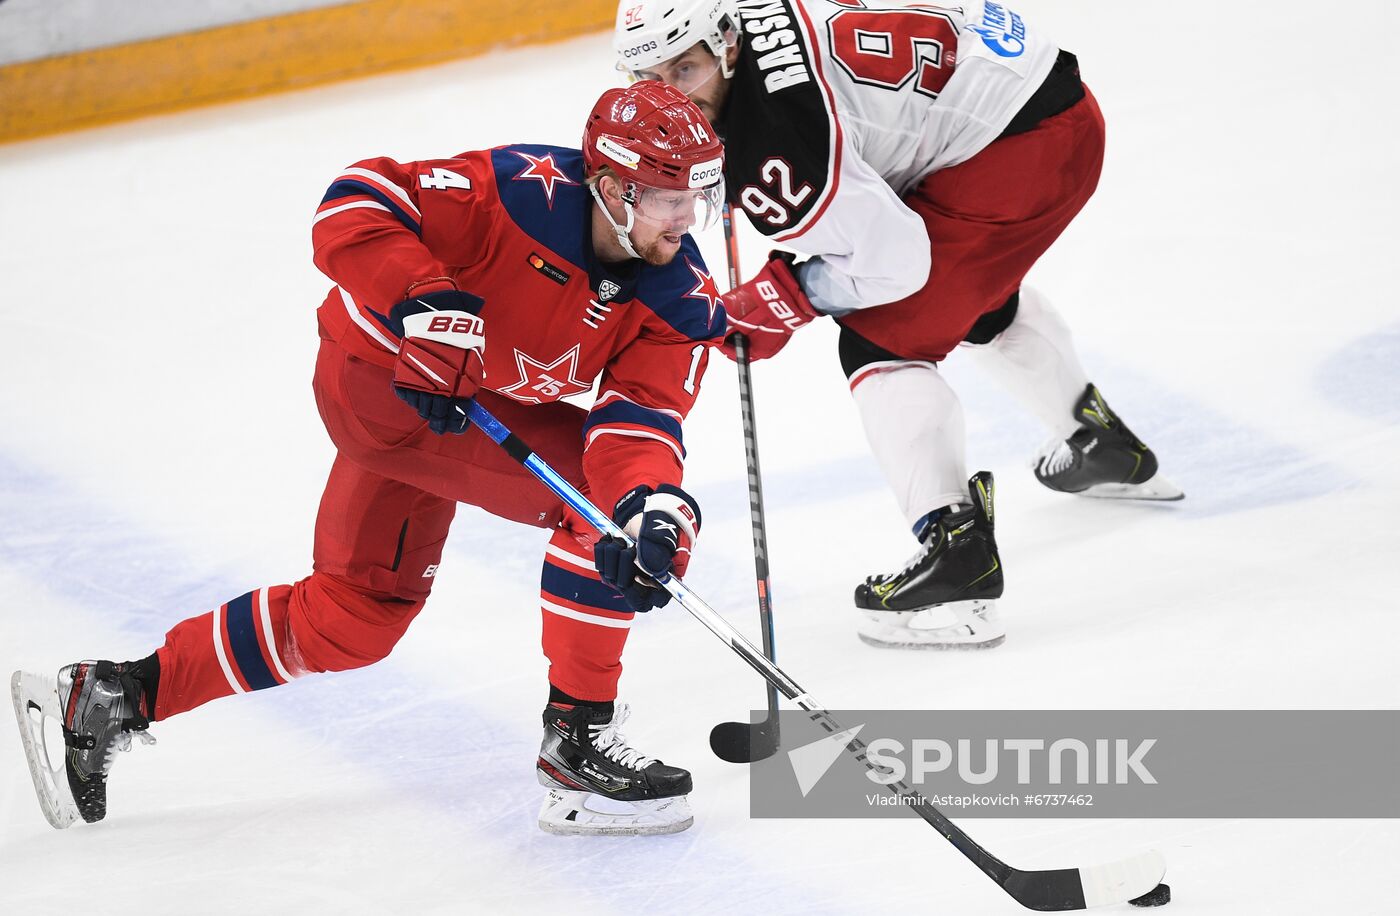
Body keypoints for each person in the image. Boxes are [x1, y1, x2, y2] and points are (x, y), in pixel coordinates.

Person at [10, 81, 729, 837]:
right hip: (378, 381)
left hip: (450, 413)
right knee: (588, 504)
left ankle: (115, 695)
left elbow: (639, 418)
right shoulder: (516, 196)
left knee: (356, 618)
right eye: (668, 199)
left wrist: (649, 503)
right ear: (612, 187)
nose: (688, 220)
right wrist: (423, 302)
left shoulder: (679, 299)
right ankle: (577, 742)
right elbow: (354, 198)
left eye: (694, 198)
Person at [613, 0, 1182, 650]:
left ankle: (959, 557)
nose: (670, 97)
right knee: (970, 295)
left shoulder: (778, 147)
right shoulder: (745, 18)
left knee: (882, 338)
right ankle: (1102, 444)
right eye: (647, 78)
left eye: (684, 69)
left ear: (727, 47)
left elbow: (896, 262)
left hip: (1024, 144)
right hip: (1028, 96)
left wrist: (789, 293)